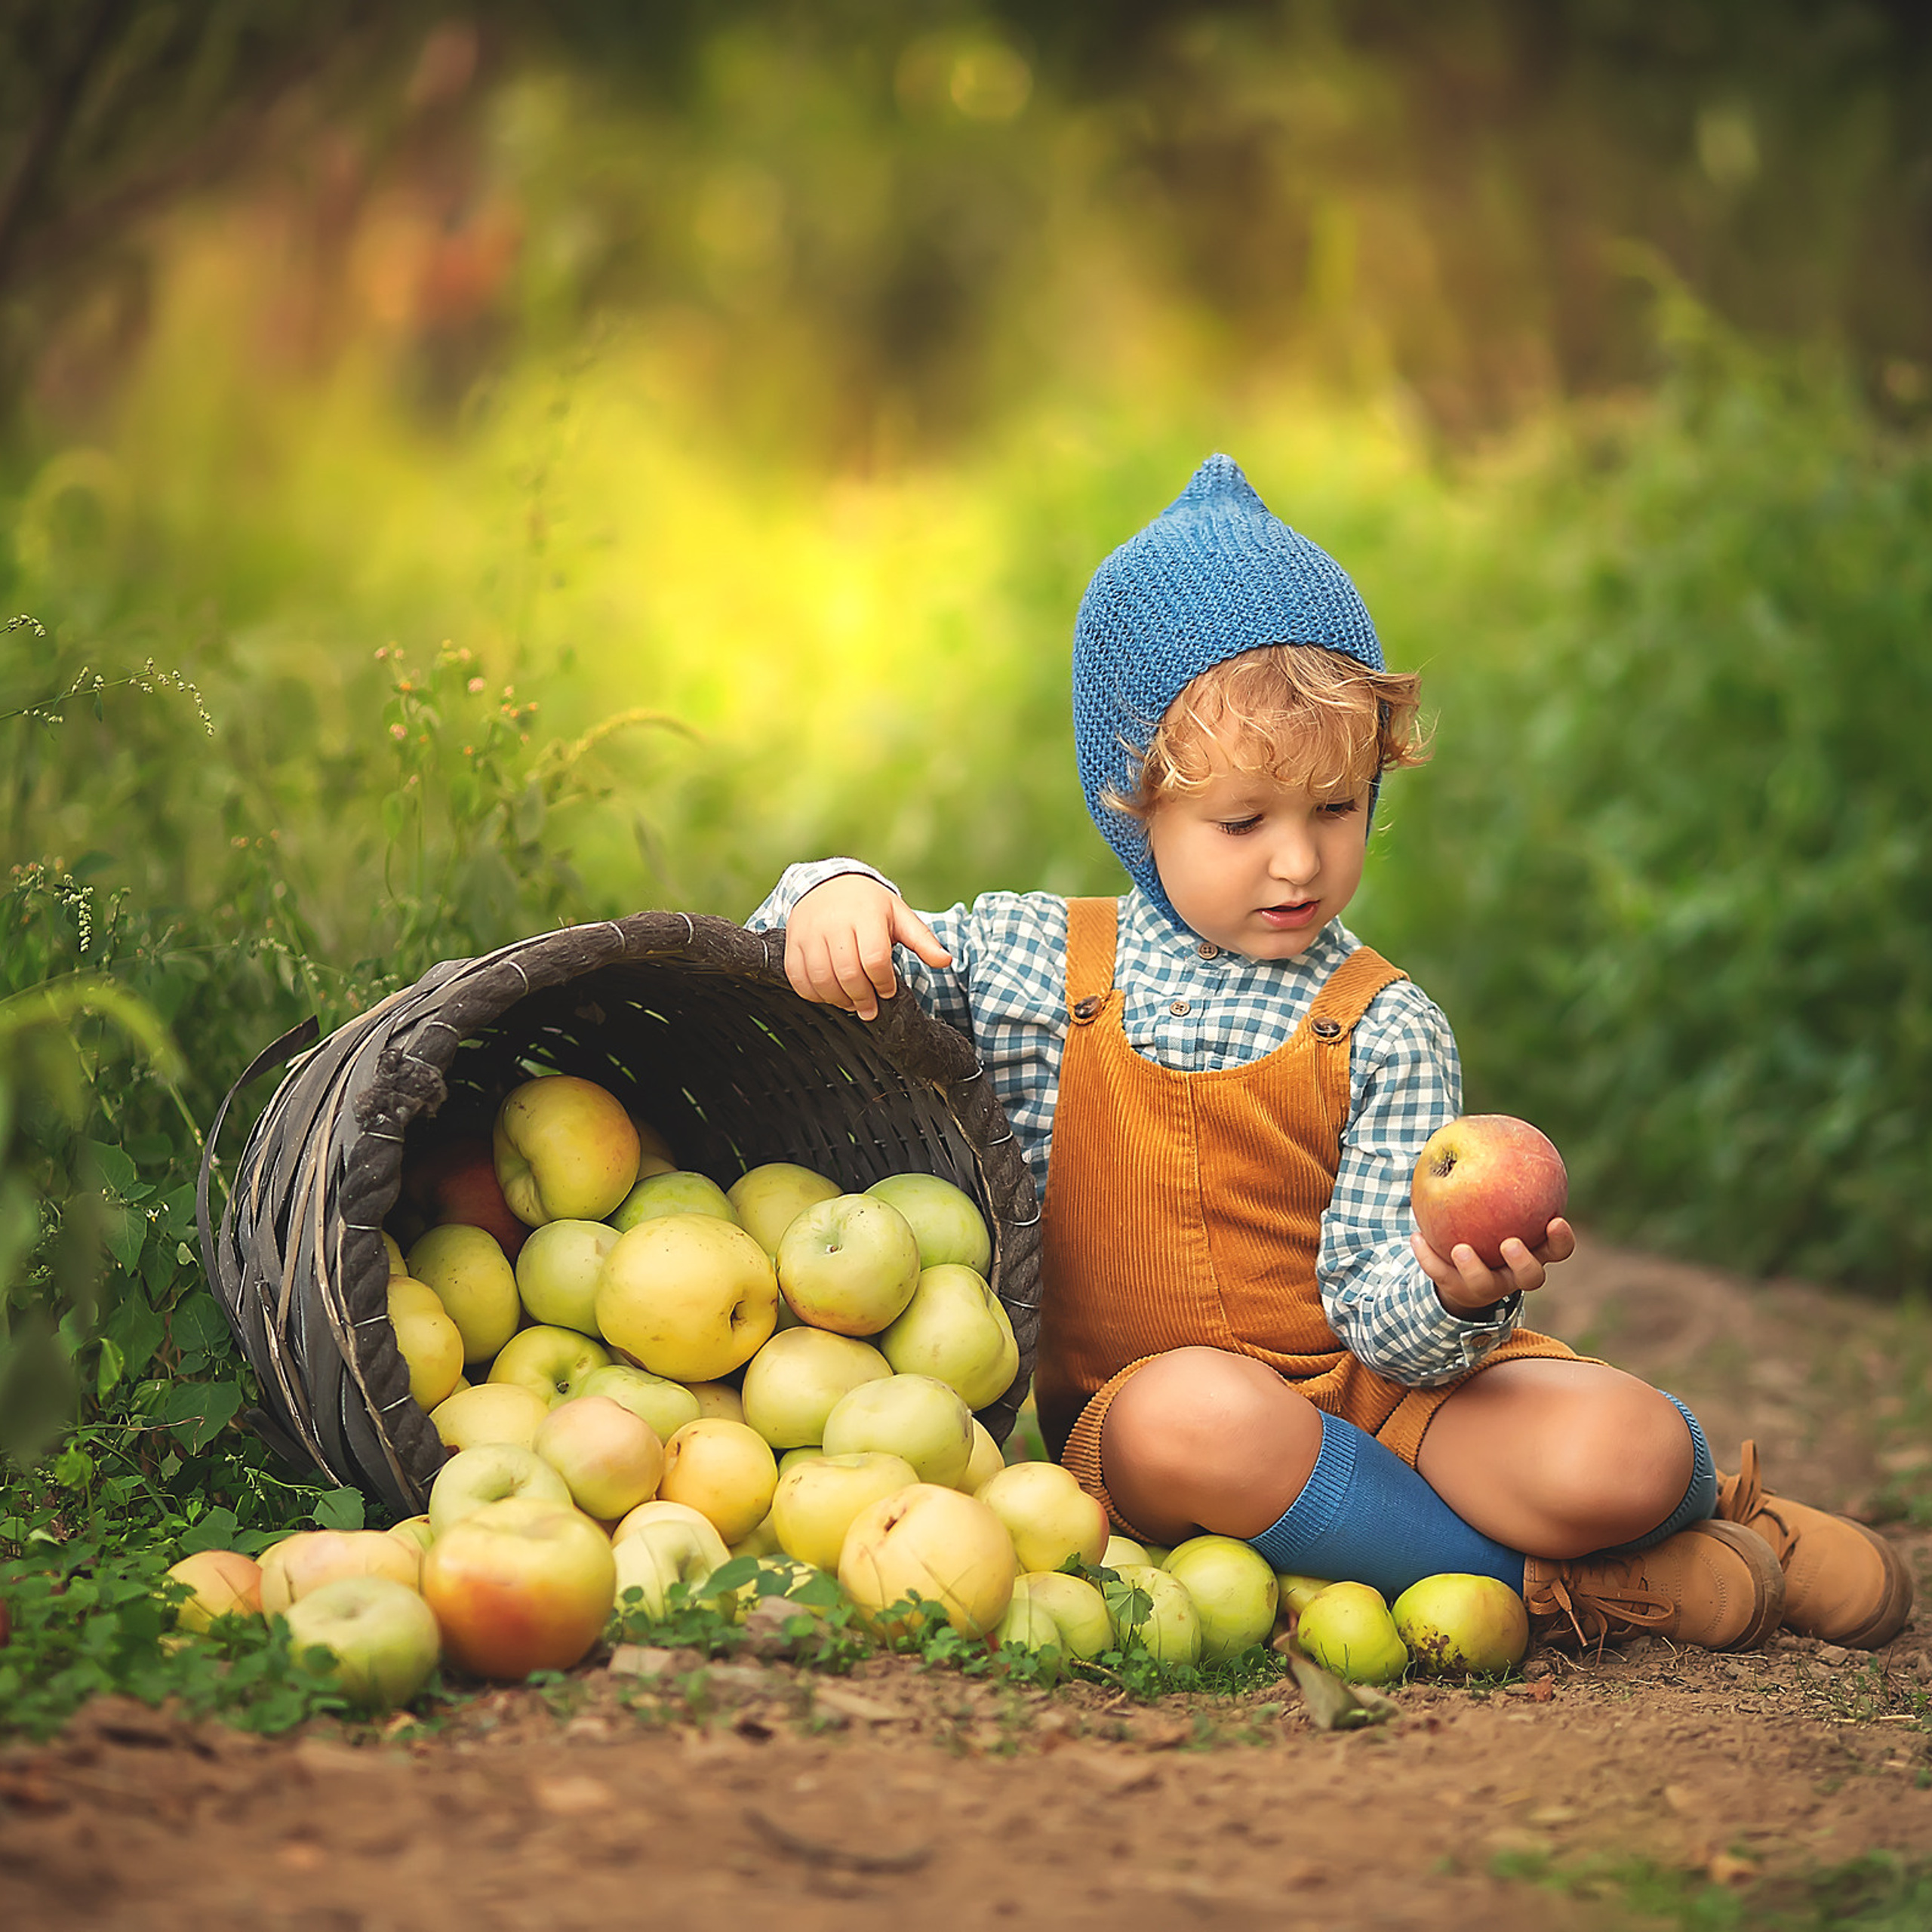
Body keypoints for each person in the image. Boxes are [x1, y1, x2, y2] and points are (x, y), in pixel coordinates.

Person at [747, 454, 1913, 1654]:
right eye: (1243, 821)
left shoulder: (1384, 1023)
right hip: (1167, 1423)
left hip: (1382, 1394)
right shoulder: (1032, 965)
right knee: (1197, 1415)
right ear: (1129, 803)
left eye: (1338, 808)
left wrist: (1457, 1292)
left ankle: (1726, 1516)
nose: (1298, 862)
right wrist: (835, 889)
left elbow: (1381, 1321)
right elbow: (798, 962)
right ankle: (1575, 1584)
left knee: (1627, 1449)